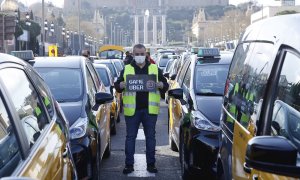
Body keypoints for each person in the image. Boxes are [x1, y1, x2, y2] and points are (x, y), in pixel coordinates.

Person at [115, 44, 169, 174]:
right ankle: (129, 165)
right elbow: (117, 85)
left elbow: (165, 84)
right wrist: (121, 85)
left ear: (146, 54)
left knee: (150, 138)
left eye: (142, 54)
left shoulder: (154, 68)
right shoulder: (127, 69)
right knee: (130, 138)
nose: (140, 56)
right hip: (132, 111)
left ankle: (151, 164)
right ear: (133, 55)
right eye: (137, 54)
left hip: (150, 110)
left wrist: (161, 84)